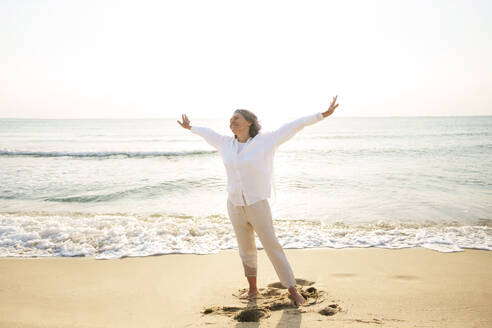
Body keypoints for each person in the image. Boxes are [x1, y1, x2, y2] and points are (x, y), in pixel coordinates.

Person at [177, 96, 339, 306]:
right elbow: (208, 133)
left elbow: (294, 126)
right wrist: (191, 127)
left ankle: (292, 290)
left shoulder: (265, 141)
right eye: (230, 119)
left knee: (272, 246)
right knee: (245, 248)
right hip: (234, 204)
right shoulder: (226, 144)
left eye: (237, 118)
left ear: (249, 122)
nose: (232, 122)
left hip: (257, 204)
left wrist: (322, 115)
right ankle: (253, 289)